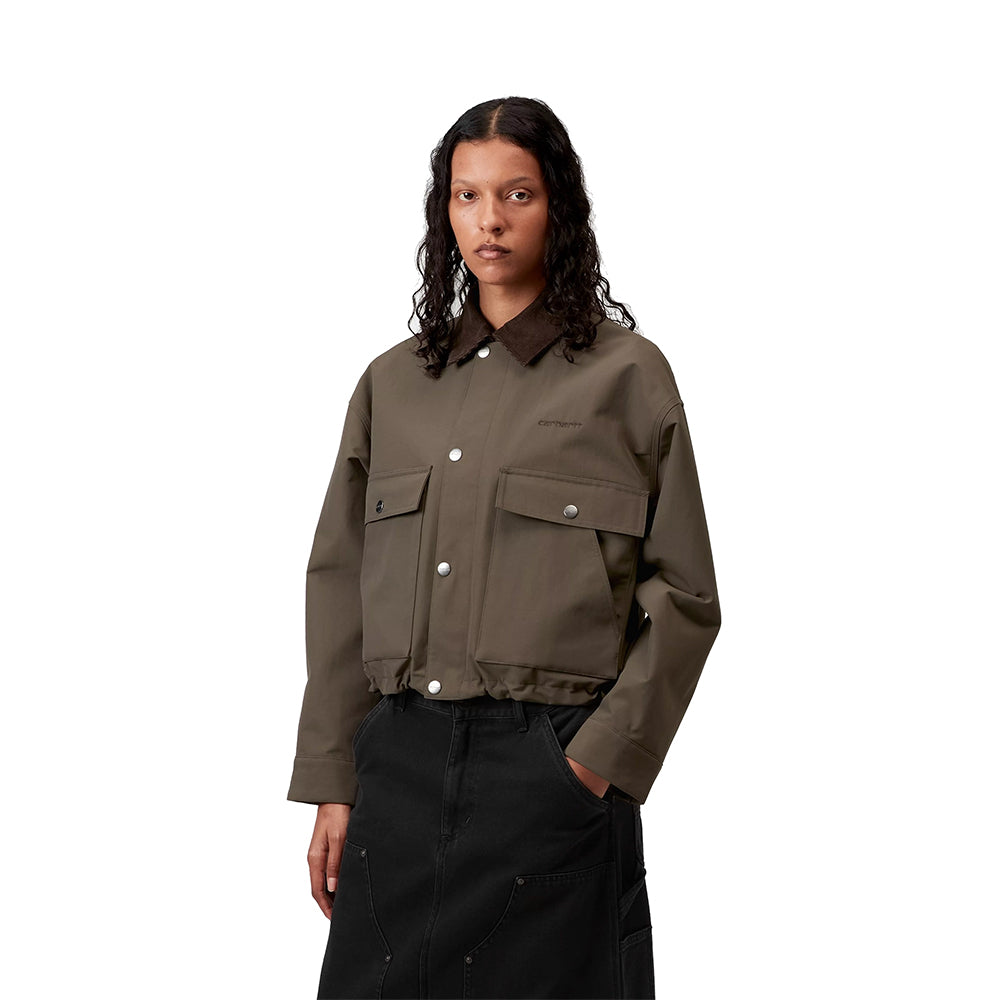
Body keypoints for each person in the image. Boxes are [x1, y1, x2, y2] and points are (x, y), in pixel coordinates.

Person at [287, 96, 722, 1000]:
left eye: (517, 194)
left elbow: (684, 595)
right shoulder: (392, 384)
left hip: (549, 769)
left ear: (558, 204)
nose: (490, 219)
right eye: (468, 195)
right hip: (398, 769)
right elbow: (339, 583)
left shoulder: (628, 377)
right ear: (444, 212)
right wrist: (334, 781)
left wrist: (592, 766)